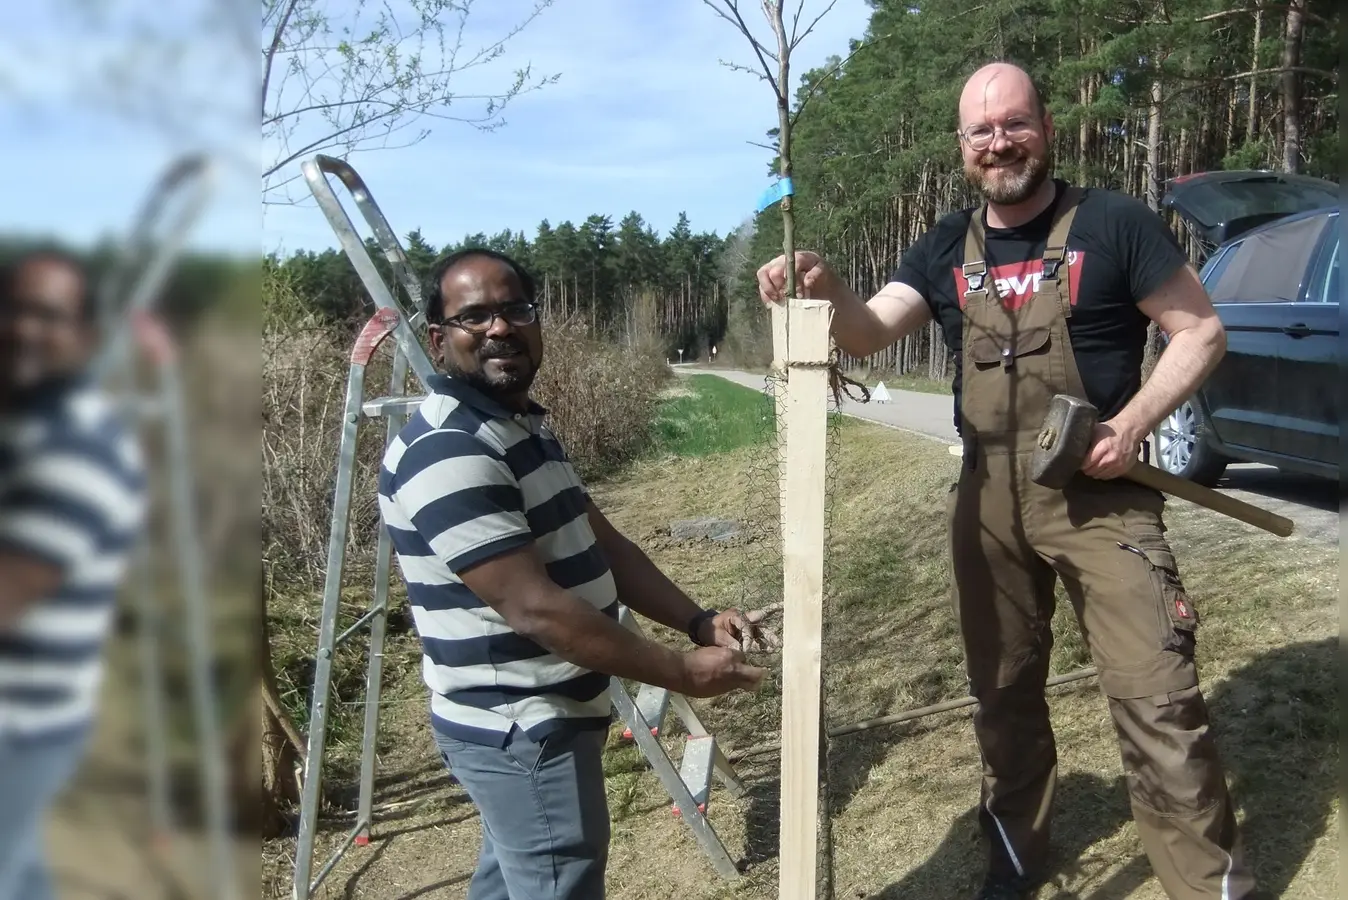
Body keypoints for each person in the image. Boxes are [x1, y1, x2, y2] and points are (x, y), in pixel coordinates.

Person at [757, 62, 1258, 900]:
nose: (1000, 143)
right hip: (987, 499)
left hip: (1100, 495)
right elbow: (869, 333)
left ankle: (1210, 887)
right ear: (962, 147)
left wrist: (1131, 423)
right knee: (1003, 696)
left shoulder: (1116, 223)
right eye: (981, 132)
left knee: (1158, 699)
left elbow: (1200, 333)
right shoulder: (944, 245)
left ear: (1046, 127)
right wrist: (823, 285)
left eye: (1014, 124)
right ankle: (1016, 864)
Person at [376, 247, 769, 900]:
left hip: (545, 715)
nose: (500, 328)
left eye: (515, 310)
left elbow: (604, 544)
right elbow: (536, 609)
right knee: (559, 884)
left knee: (513, 883)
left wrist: (697, 621)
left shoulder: (519, 427)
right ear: (440, 342)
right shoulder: (450, 452)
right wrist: (678, 671)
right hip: (522, 726)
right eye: (476, 317)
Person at [0, 249, 148, 900]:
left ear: (85, 337)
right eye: (15, 310)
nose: (24, 328)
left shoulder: (81, 446)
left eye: (48, 316)